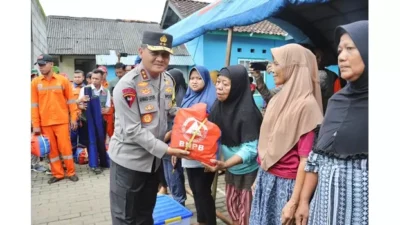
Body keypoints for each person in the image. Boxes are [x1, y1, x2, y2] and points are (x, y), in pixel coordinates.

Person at [108, 31, 190, 225]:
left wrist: (192, 116)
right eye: (155, 53)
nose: (161, 59)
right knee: (125, 218)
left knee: (146, 215)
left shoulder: (168, 80)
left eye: (165, 54)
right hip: (129, 163)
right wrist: (167, 150)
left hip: (152, 163)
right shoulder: (127, 86)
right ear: (141, 51)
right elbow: (133, 130)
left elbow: (170, 110)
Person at [295, 20, 368, 225]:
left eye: (350, 49)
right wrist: (303, 202)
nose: (342, 57)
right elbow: (317, 157)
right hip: (324, 210)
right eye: (339, 50)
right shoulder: (337, 101)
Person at [249, 44, 323, 225]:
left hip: (286, 186)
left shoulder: (306, 105)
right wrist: (260, 176)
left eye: (277, 63)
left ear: (293, 66)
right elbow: (269, 143)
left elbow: (305, 160)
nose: (271, 69)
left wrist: (294, 201)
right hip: (266, 179)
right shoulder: (277, 100)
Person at [204, 65, 263, 225]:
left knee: (247, 213)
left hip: (248, 173)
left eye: (225, 84)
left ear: (236, 87)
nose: (219, 87)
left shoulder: (248, 112)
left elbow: (251, 149)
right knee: (233, 208)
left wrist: (225, 163)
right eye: (218, 82)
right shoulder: (218, 106)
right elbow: (211, 132)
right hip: (231, 170)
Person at [175, 65, 218, 225]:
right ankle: (201, 221)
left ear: (206, 80)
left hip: (205, 153)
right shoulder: (187, 97)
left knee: (203, 191)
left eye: (199, 78)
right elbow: (180, 126)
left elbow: (215, 129)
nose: (194, 81)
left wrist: (212, 156)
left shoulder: (212, 100)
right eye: (192, 78)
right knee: (195, 189)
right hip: (188, 152)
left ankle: (209, 222)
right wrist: (176, 151)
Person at [31, 54, 79, 184]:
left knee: (66, 148)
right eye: (39, 65)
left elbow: (71, 101)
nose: (41, 67)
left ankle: (71, 172)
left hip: (61, 121)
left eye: (43, 64)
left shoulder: (62, 81)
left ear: (51, 64)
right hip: (45, 123)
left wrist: (73, 118)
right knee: (51, 151)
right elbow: (33, 106)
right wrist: (36, 124)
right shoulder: (35, 82)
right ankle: (58, 174)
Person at [163, 68, 188, 205]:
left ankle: (179, 202)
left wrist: (168, 136)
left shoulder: (181, 98)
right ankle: (176, 199)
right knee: (169, 174)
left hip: (174, 143)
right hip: (165, 143)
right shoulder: (171, 95)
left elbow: (179, 125)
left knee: (174, 174)